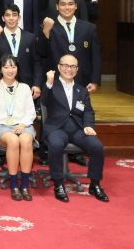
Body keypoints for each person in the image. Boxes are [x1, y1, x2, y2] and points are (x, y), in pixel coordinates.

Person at [41, 54, 108, 202]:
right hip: (56, 128)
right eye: (65, 65)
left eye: (73, 66)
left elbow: (88, 111)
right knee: (56, 145)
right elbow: (44, 101)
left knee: (97, 146)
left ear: (77, 70)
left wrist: (89, 126)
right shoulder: (51, 85)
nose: (69, 69)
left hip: (77, 129)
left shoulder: (81, 90)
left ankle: (95, 184)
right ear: (59, 67)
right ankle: (58, 184)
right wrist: (49, 83)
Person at [0, 55, 38, 201]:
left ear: (17, 68)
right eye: (6, 67)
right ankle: (14, 185)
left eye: (13, 66)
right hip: (0, 126)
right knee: (13, 141)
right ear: (0, 69)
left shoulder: (24, 87)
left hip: (22, 125)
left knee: (26, 141)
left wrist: (23, 124)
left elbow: (31, 113)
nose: (10, 70)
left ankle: (24, 185)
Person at [39, 0, 101, 93]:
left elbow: (95, 57)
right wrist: (46, 31)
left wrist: (94, 81)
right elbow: (42, 53)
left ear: (76, 6)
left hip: (81, 79)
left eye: (70, 4)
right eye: (63, 4)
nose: (67, 7)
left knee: (79, 108)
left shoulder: (89, 27)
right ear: (57, 7)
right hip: (56, 79)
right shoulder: (46, 27)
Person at [0, 4, 43, 98]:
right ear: (3, 18)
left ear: (19, 17)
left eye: (14, 15)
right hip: (1, 85)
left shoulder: (30, 37)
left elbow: (37, 62)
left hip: (26, 85)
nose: (11, 18)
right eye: (8, 15)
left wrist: (37, 84)